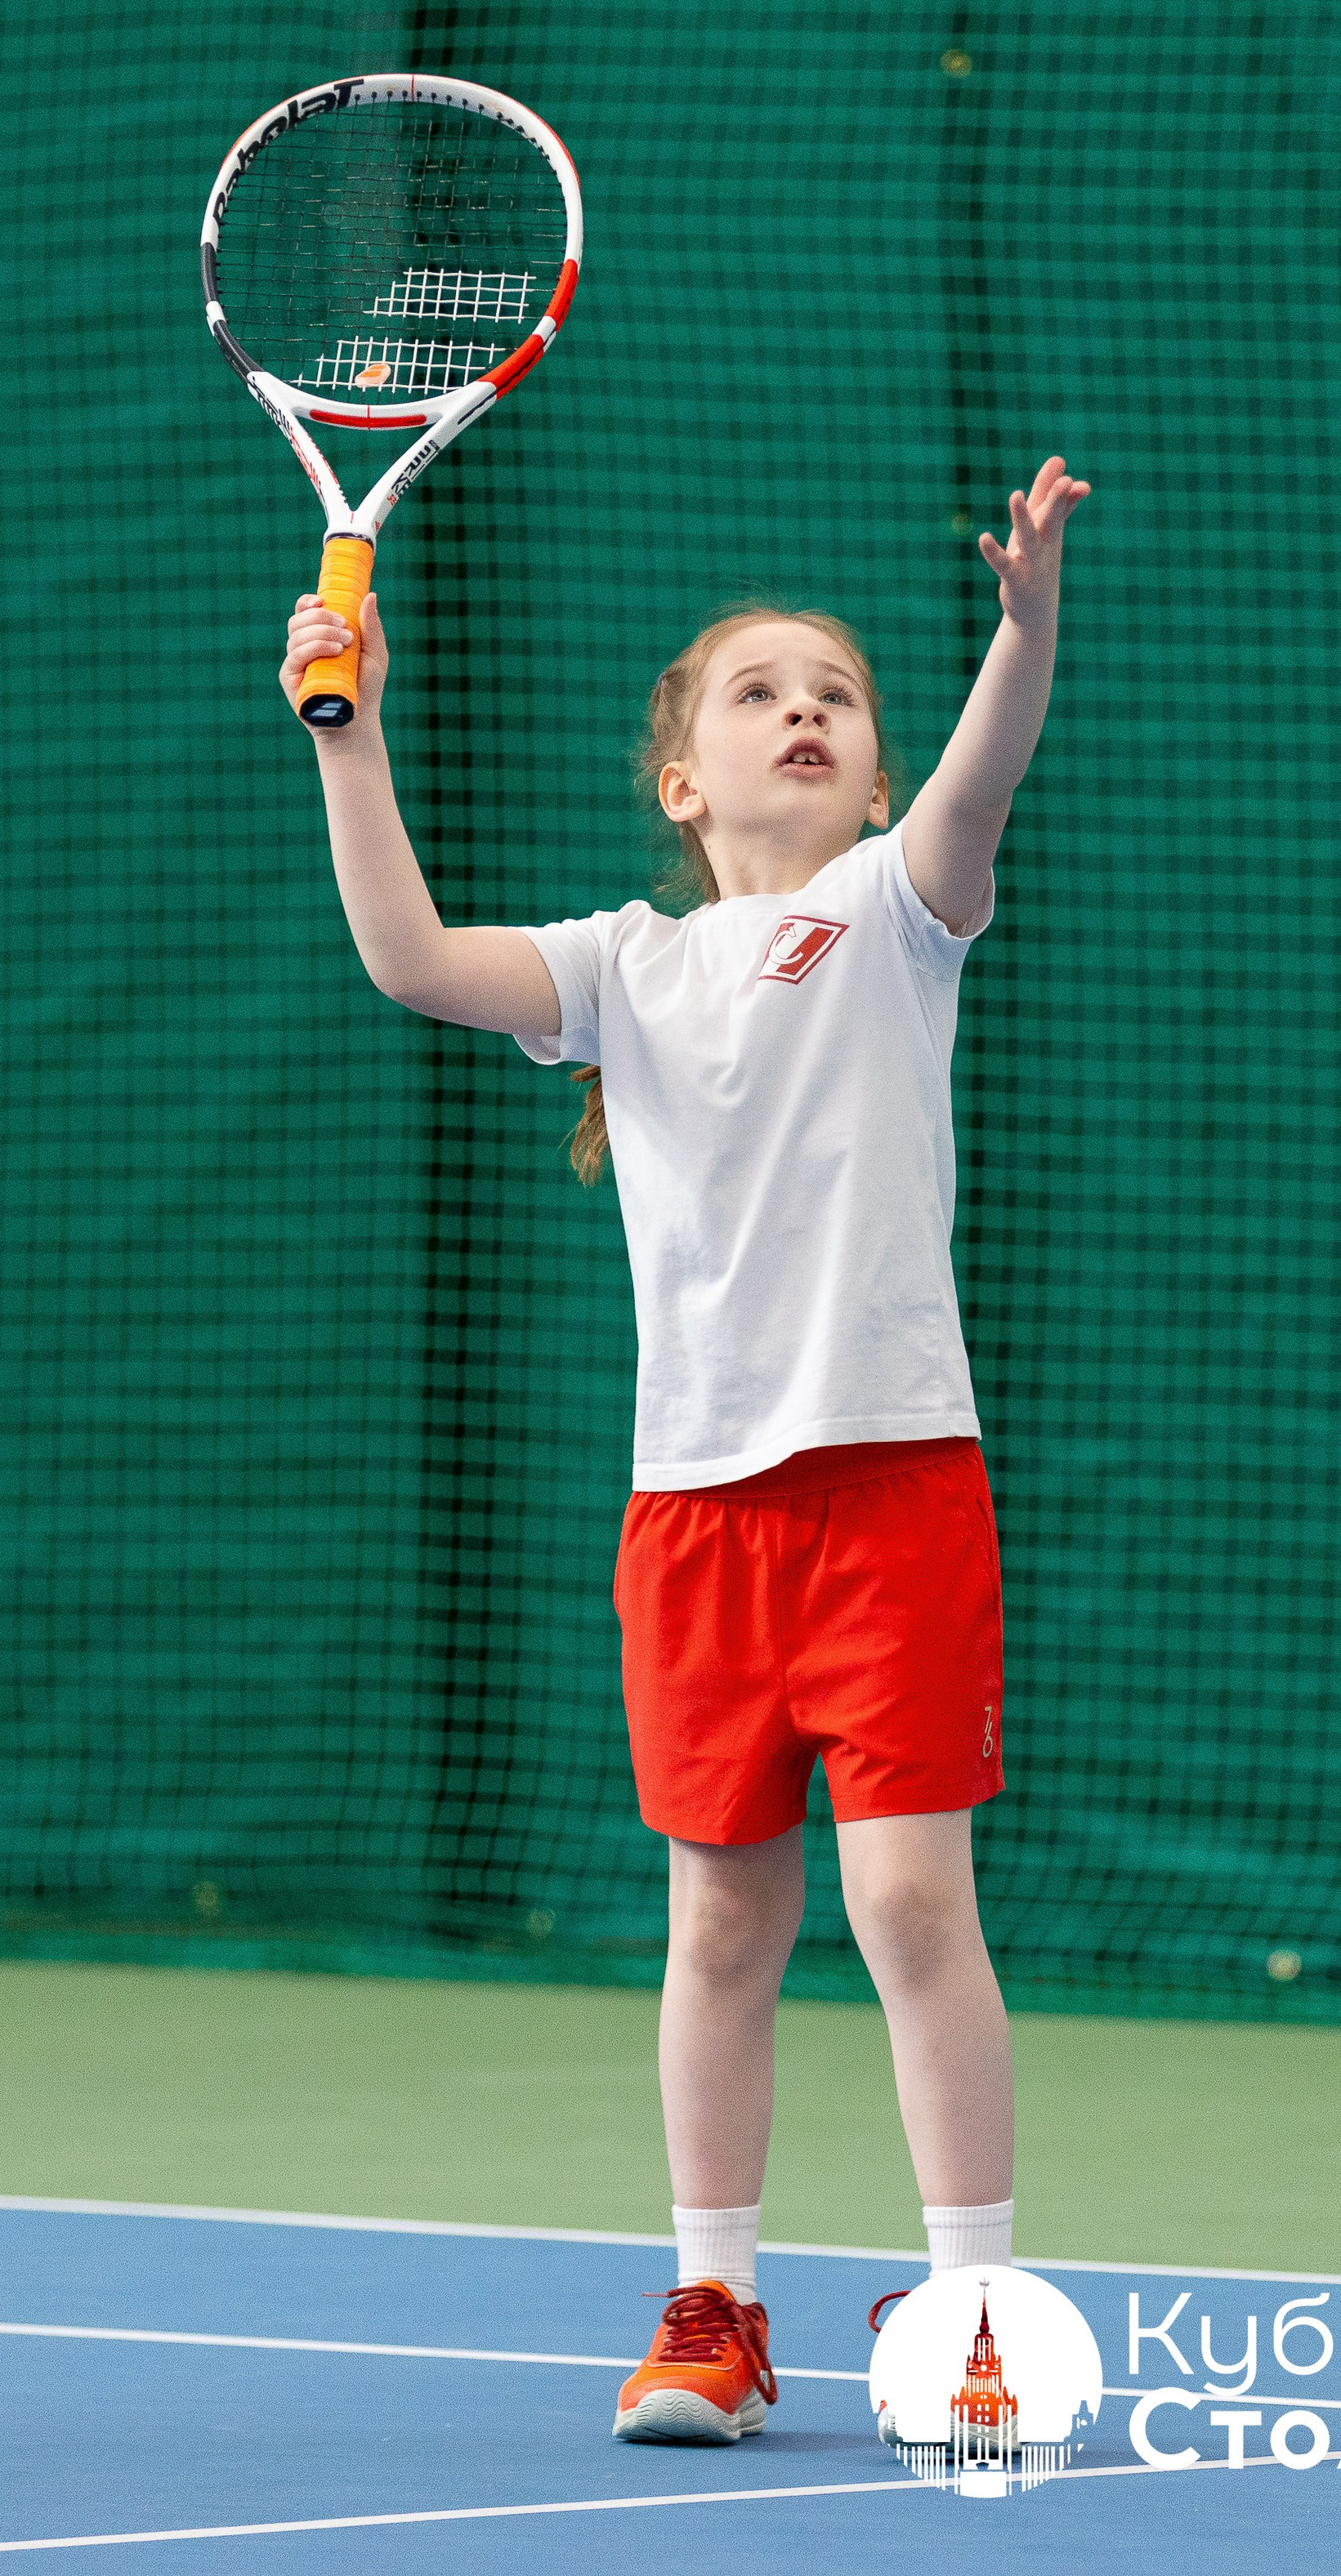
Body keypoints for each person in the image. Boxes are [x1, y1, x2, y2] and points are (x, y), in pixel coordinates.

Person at [280, 452, 1090, 2447]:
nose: (803, 705)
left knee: (909, 1904)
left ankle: (971, 2305)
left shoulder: (897, 912)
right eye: (755, 690)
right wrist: (351, 734)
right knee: (721, 1916)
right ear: (679, 784)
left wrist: (1024, 624)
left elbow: (982, 783)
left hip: (894, 1485)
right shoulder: (622, 973)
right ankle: (715, 2300)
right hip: (695, 1516)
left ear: (873, 780)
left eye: (834, 689)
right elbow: (403, 955)